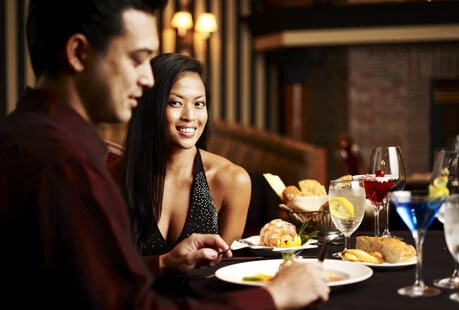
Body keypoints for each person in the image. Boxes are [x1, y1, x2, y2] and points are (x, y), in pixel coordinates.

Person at [0, 0, 330, 308]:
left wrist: (162, 262)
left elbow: (86, 284)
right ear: (78, 53)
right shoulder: (68, 166)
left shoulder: (21, 135)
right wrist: (274, 296)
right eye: (136, 58)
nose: (146, 79)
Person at [114, 53, 251, 255]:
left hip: (205, 286)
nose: (190, 116)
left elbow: (225, 269)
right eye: (175, 103)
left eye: (199, 104)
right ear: (151, 107)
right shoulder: (113, 178)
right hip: (133, 287)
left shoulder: (231, 180)